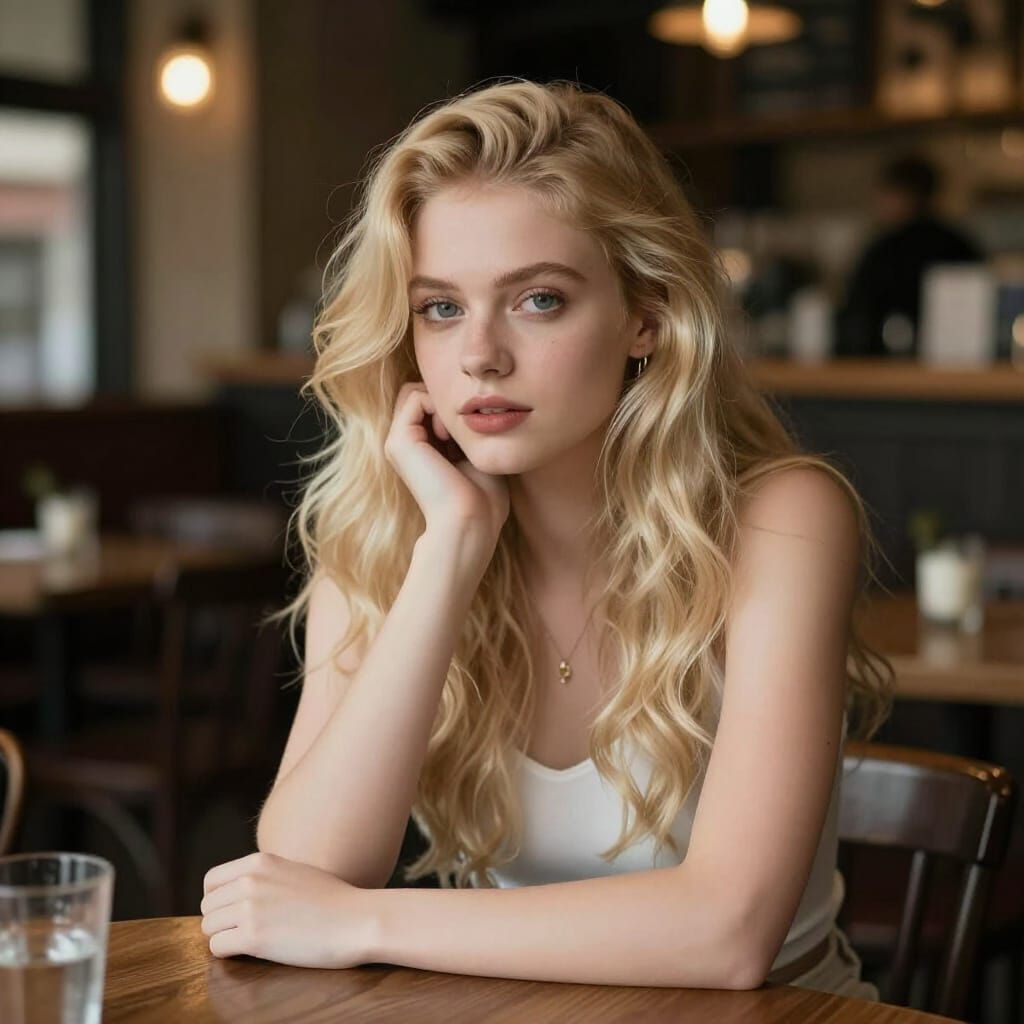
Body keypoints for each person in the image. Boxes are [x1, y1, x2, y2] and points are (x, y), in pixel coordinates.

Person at [199, 79, 894, 996]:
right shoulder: (388, 536)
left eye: (538, 300)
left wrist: (364, 922)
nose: (480, 355)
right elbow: (305, 872)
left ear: (646, 315)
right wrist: (450, 551)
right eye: (441, 308)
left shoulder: (782, 519)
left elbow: (729, 933)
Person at [835, 155, 984, 357]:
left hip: (883, 361)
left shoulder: (883, 250)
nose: (879, 203)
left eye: (885, 194)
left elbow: (856, 315)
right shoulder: (960, 243)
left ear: (903, 195)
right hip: (959, 359)